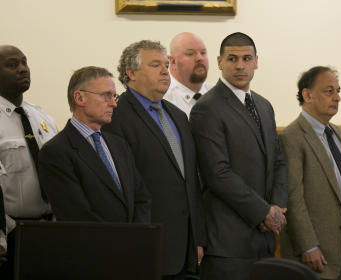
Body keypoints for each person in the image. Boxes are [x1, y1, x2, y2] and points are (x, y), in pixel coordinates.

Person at [103, 40, 205, 279]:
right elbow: (121, 187)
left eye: (166, 65)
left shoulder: (178, 115)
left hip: (186, 247)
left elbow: (190, 182)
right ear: (131, 73)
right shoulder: (116, 117)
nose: (164, 71)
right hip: (144, 243)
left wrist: (198, 237)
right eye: (155, 65)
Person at [189, 32, 288, 280]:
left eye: (246, 58)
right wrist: (263, 212)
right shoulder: (206, 108)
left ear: (257, 61)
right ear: (220, 62)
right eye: (232, 59)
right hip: (228, 241)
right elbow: (217, 173)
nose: (240, 65)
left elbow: (278, 161)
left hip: (264, 239)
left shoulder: (264, 106)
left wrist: (276, 207)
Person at [279, 66, 341, 280]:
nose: (337, 97)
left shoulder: (338, 133)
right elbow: (293, 198)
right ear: (307, 95)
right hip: (316, 256)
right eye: (329, 91)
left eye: (338, 91)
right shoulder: (291, 137)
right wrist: (308, 246)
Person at [38, 66, 151, 224]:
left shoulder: (119, 144)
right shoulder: (56, 151)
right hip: (93, 246)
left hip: (132, 244)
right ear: (79, 98)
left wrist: (136, 237)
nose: (114, 104)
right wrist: (123, 240)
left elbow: (140, 198)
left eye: (114, 96)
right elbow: (75, 214)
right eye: (106, 96)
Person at [0, 45, 57, 279]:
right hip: (9, 233)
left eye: (24, 62)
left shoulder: (42, 117)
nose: (23, 69)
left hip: (49, 231)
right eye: (12, 65)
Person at [164, 32, 213, 117]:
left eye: (203, 53)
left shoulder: (217, 94)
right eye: (190, 54)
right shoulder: (163, 99)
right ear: (173, 62)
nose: (200, 58)